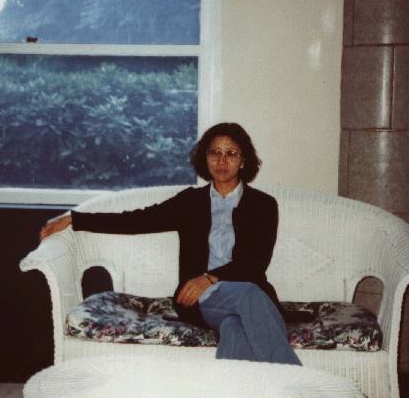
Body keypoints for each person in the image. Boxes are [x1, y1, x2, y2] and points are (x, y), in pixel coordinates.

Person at [39, 122, 301, 365]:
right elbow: (137, 220)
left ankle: (229, 390)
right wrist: (75, 218)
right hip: (201, 299)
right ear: (205, 158)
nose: (222, 161)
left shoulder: (263, 205)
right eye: (214, 153)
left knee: (234, 327)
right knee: (249, 295)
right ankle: (299, 385)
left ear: (243, 160)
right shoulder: (190, 202)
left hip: (243, 293)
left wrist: (209, 278)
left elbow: (255, 263)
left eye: (231, 153)